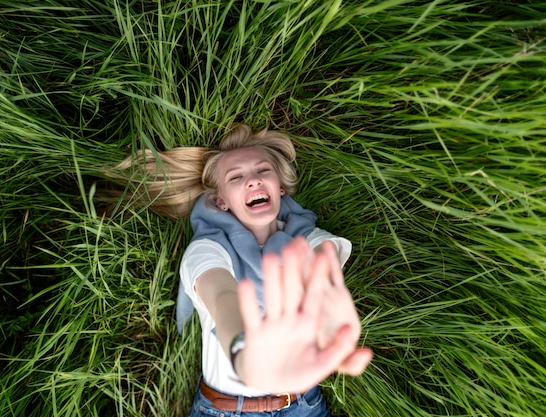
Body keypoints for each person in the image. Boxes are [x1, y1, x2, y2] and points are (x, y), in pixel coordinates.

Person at [105, 124, 373, 416]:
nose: (253, 181)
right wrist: (243, 354)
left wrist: (330, 312)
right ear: (220, 201)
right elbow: (222, 296)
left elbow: (323, 259)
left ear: (280, 189)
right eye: (236, 177)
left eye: (263, 171)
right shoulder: (207, 250)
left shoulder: (306, 237)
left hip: (302, 404)